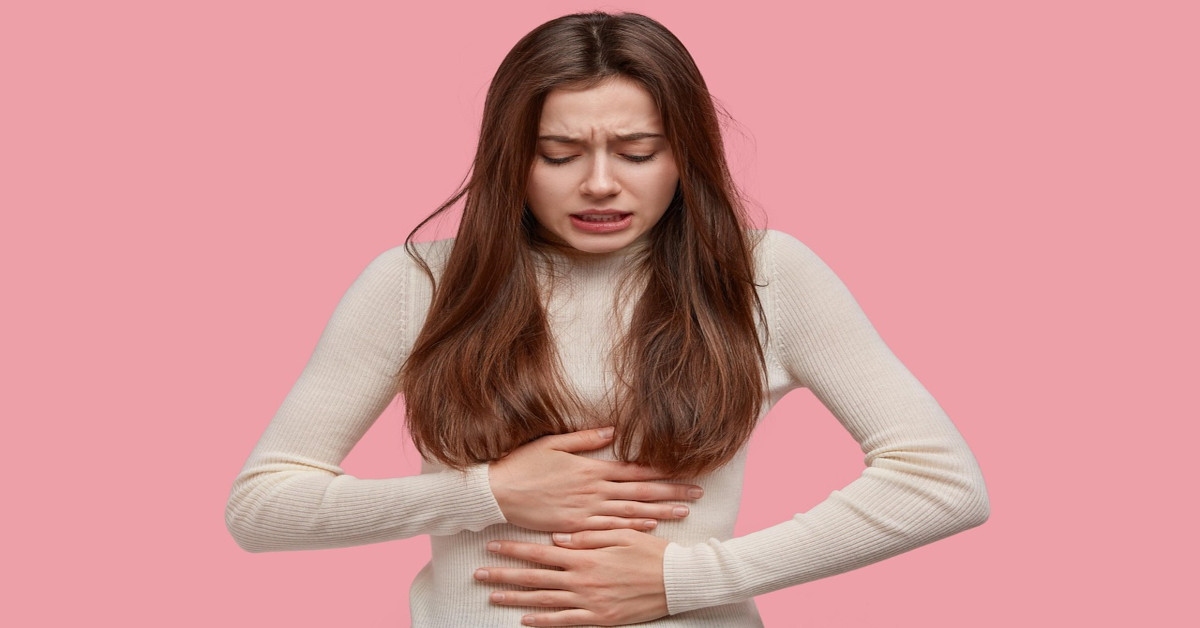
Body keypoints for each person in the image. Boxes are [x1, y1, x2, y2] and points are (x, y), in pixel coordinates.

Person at [225, 11, 989, 627]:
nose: (600, 184)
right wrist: (484, 494)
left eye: (637, 150)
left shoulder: (765, 275)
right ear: (510, 160)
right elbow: (262, 509)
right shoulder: (418, 282)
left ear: (683, 153)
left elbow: (940, 483)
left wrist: (684, 580)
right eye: (558, 154)